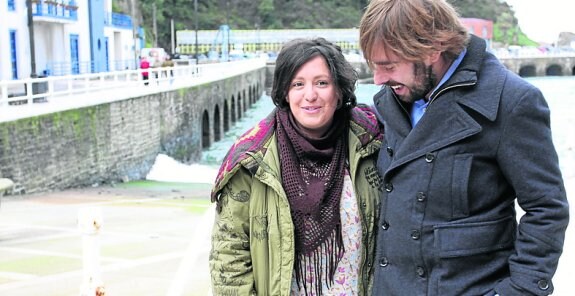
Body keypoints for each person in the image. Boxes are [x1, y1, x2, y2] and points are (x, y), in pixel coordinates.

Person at [359, 0, 569, 295]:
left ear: (432, 49)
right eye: (375, 66)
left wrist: (519, 290)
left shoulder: (511, 101)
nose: (379, 79)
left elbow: (547, 208)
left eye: (389, 66)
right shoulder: (393, 98)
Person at [209, 37, 383, 295]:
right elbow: (229, 254)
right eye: (298, 84)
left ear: (339, 91)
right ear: (285, 93)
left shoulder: (372, 142)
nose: (310, 95)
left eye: (322, 83)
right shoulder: (253, 157)